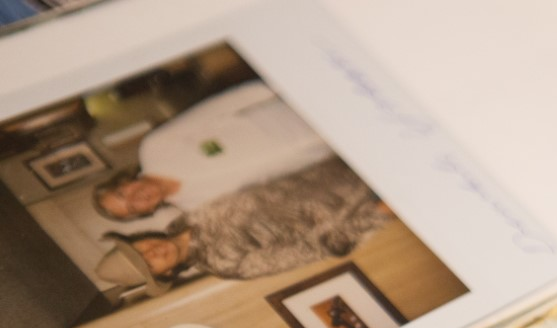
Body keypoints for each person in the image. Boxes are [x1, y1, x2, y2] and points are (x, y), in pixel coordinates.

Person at [93, 157, 389, 291]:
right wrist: (378, 211)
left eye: (139, 250)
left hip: (333, 165)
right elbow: (320, 249)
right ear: (166, 273)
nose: (151, 253)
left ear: (138, 238)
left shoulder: (186, 213)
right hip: (365, 197)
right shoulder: (227, 265)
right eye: (149, 265)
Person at [93, 79, 333, 220]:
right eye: (133, 208)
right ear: (147, 211)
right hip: (320, 153)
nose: (135, 198)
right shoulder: (197, 208)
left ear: (123, 181)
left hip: (298, 107)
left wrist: (284, 83)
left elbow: (220, 106)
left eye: (122, 194)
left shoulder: (155, 148)